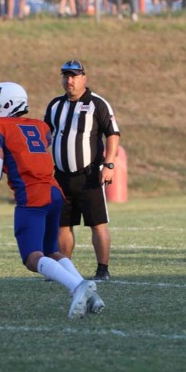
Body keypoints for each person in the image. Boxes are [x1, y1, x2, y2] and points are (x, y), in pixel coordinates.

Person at [0, 82, 104, 319]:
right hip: (54, 193)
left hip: (32, 197)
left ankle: (77, 287)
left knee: (32, 258)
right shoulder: (39, 126)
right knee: (52, 252)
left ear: (8, 104)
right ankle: (91, 296)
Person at [43, 60, 121, 281]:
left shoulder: (97, 103)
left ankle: (102, 270)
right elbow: (45, 135)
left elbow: (112, 134)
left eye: (74, 76)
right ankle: (64, 269)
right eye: (66, 76)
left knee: (97, 224)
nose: (69, 81)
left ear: (83, 78)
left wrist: (109, 165)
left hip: (89, 175)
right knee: (62, 224)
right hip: (61, 176)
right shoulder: (55, 105)